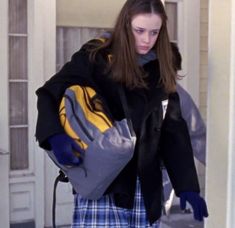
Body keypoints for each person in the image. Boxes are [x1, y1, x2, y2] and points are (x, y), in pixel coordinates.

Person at [35, 0, 208, 227]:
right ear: (126, 25)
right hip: (104, 186)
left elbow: (173, 130)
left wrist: (187, 186)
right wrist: (54, 136)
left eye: (154, 32)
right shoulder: (95, 57)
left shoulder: (160, 69)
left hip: (145, 189)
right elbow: (50, 92)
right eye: (140, 31)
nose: (147, 40)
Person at [162, 42, 207, 217]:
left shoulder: (180, 98)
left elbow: (196, 137)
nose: (171, 80)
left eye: (174, 74)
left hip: (159, 186)